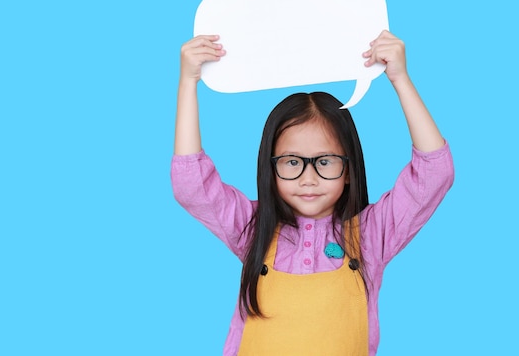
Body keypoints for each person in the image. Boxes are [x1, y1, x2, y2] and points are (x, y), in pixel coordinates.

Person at [171, 31, 454, 356]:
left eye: (324, 161)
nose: (308, 178)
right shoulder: (251, 227)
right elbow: (190, 183)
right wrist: (188, 83)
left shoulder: (372, 235)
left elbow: (435, 173)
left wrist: (400, 79)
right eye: (292, 162)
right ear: (270, 166)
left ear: (348, 169)